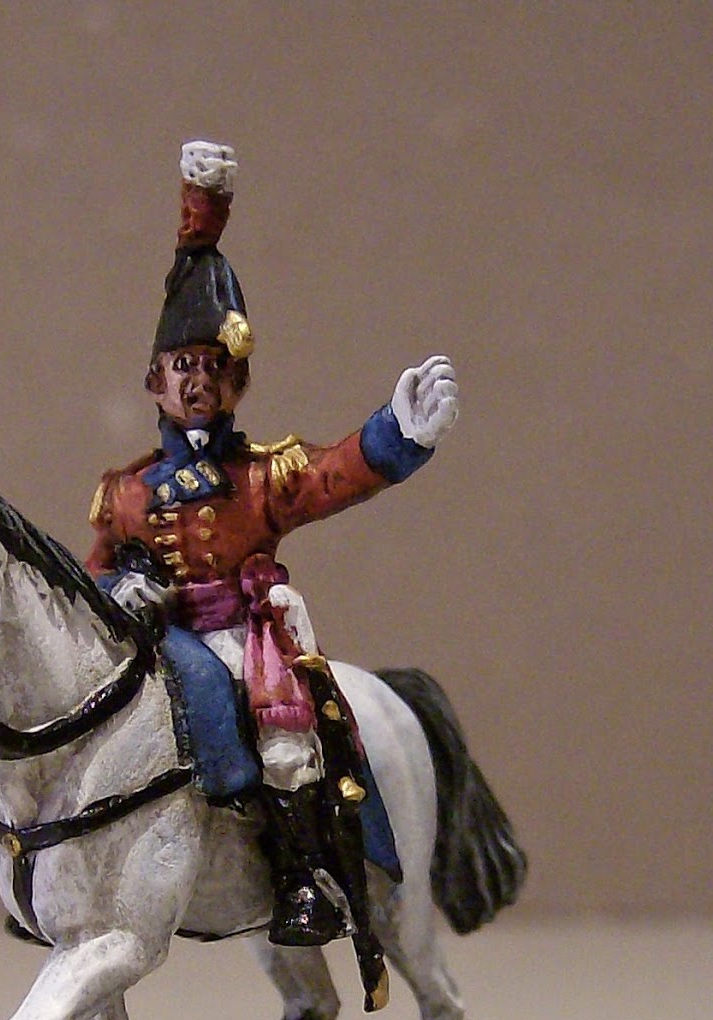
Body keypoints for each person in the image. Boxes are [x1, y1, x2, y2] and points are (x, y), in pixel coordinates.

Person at [86, 140, 458, 949]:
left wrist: (398, 433)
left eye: (212, 368)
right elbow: (94, 576)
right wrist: (120, 593)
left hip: (238, 635)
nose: (196, 381)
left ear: (236, 385)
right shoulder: (125, 492)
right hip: (152, 640)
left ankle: (301, 879)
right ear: (154, 381)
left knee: (286, 748)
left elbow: (332, 476)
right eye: (181, 365)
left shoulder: (260, 477)